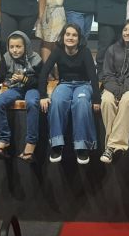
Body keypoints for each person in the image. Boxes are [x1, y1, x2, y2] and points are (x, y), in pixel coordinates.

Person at [39, 23, 100, 165]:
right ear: (63, 36)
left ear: (79, 38)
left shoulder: (85, 51)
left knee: (82, 103)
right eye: (68, 34)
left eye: (74, 35)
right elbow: (43, 73)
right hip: (65, 84)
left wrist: (97, 99)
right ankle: (57, 144)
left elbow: (93, 76)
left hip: (83, 85)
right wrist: (42, 95)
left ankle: (82, 147)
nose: (70, 37)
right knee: (57, 101)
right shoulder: (58, 51)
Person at [0, 31, 42, 161]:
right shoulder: (6, 58)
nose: (15, 50)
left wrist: (24, 79)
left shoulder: (36, 58)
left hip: (32, 88)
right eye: (12, 47)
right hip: (16, 89)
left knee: (32, 102)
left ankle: (30, 144)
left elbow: (42, 80)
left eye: (18, 47)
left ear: (26, 47)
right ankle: (4, 140)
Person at [99, 19, 129, 164]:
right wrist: (115, 90)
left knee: (127, 101)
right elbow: (106, 74)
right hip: (111, 86)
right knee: (107, 101)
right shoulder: (112, 49)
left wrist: (122, 91)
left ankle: (110, 147)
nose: (128, 33)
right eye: (125, 30)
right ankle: (115, 145)